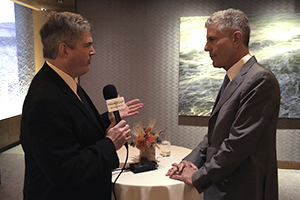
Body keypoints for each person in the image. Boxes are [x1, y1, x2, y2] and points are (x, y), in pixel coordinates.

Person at [20, 12, 143, 200]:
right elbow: (66, 171)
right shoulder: (45, 99)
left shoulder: (66, 82)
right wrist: (110, 143)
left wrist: (107, 119)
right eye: (87, 45)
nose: (93, 51)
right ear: (64, 50)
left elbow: (74, 128)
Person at [166, 8, 280, 200]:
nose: (206, 47)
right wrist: (190, 162)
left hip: (241, 190)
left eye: (212, 39)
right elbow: (214, 136)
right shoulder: (234, 77)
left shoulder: (260, 79)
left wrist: (198, 177)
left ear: (236, 38)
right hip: (223, 184)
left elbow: (237, 144)